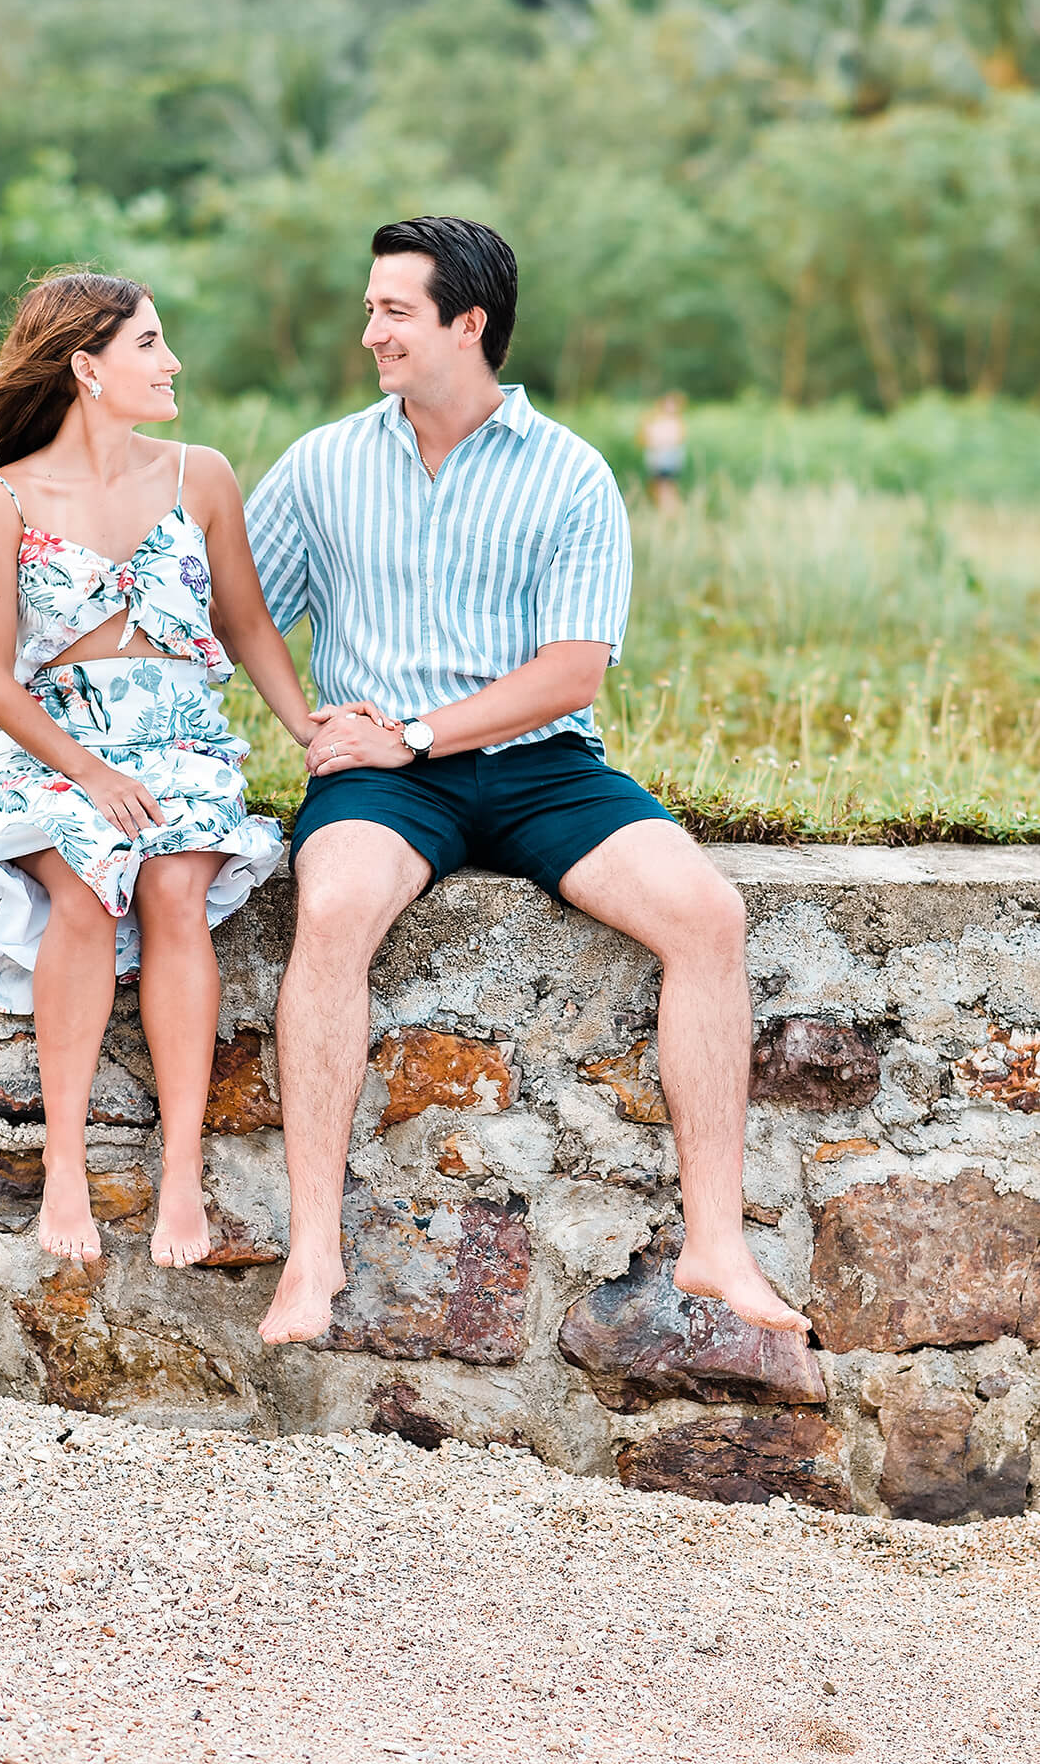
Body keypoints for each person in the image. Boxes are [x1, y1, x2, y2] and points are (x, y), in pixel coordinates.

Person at [245, 215, 809, 1346]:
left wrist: (411, 729)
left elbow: (570, 670)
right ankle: (311, 1252)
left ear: (468, 323)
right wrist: (309, 723)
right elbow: (235, 609)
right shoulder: (321, 462)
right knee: (337, 903)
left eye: (392, 310)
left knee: (707, 914)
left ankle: (715, 1241)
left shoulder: (569, 473)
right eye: (368, 307)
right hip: (387, 780)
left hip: (537, 767)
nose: (369, 332)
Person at [0, 270, 329, 1269]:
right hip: (58, 745)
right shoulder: (4, 501)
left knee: (174, 886)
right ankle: (66, 1167)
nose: (171, 362)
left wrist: (305, 728)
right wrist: (86, 772)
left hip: (181, 738)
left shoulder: (200, 475)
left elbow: (245, 622)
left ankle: (180, 1173)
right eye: (149, 343)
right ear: (86, 366)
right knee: (88, 886)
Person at [637, 390, 688, 512]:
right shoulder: (656, 420)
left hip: (668, 461)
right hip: (657, 461)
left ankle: (671, 512)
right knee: (657, 488)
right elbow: (644, 439)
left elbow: (674, 440)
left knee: (666, 488)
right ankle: (666, 512)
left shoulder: (675, 422)